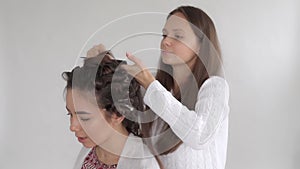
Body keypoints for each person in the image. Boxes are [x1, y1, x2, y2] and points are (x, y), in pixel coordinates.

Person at [122, 5, 230, 169]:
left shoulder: (215, 87)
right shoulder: (158, 93)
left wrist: (151, 86)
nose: (165, 41)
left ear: (201, 45)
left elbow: (200, 136)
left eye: (178, 36)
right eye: (164, 34)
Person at [62, 49, 159, 169]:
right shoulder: (89, 154)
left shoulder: (143, 164)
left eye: (84, 118)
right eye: (70, 114)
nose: (72, 126)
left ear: (117, 114)